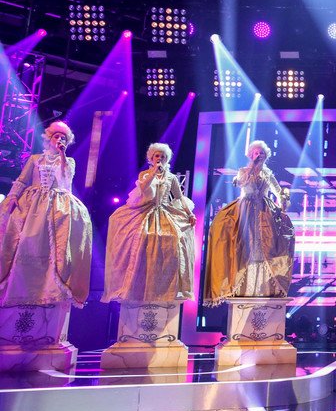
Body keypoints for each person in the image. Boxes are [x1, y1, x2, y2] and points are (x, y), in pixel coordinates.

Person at [0, 121, 92, 307]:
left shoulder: (68, 161)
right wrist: (13, 196)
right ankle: (20, 288)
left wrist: (62, 154)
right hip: (33, 204)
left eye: (63, 138)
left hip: (57, 205)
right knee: (26, 240)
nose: (59, 140)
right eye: (56, 136)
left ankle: (49, 290)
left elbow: (66, 179)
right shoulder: (35, 158)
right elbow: (22, 180)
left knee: (54, 247)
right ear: (49, 139)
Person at [103, 143, 197, 304]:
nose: (159, 159)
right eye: (156, 156)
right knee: (138, 236)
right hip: (145, 209)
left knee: (175, 238)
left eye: (162, 156)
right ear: (151, 158)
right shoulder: (145, 174)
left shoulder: (171, 178)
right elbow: (143, 188)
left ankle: (167, 287)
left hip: (165, 211)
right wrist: (153, 173)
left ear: (167, 159)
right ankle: (135, 285)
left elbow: (179, 197)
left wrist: (190, 213)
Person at [204, 140, 295, 302]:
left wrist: (283, 199)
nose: (258, 155)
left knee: (266, 247)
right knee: (242, 245)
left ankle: (262, 288)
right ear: (250, 155)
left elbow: (277, 191)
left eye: (261, 153)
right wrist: (252, 168)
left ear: (266, 156)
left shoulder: (268, 174)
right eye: (255, 153)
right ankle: (240, 286)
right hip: (245, 208)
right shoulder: (244, 171)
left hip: (264, 209)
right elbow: (241, 183)